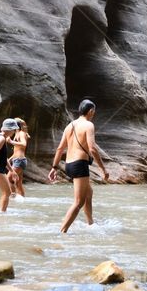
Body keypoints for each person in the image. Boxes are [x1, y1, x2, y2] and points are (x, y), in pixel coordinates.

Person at [49, 99, 110, 233]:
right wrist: (103, 169)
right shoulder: (88, 125)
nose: (94, 114)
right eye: (94, 111)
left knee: (89, 193)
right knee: (78, 202)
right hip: (79, 164)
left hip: (69, 165)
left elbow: (60, 149)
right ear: (91, 111)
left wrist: (54, 167)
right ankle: (62, 231)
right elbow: (92, 148)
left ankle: (90, 223)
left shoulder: (69, 126)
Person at [7, 117, 31, 198]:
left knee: (8, 179)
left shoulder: (21, 133)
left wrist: (11, 141)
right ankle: (22, 200)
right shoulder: (17, 133)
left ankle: (12, 197)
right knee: (18, 183)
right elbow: (17, 150)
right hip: (17, 160)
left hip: (20, 160)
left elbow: (24, 144)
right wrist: (10, 159)